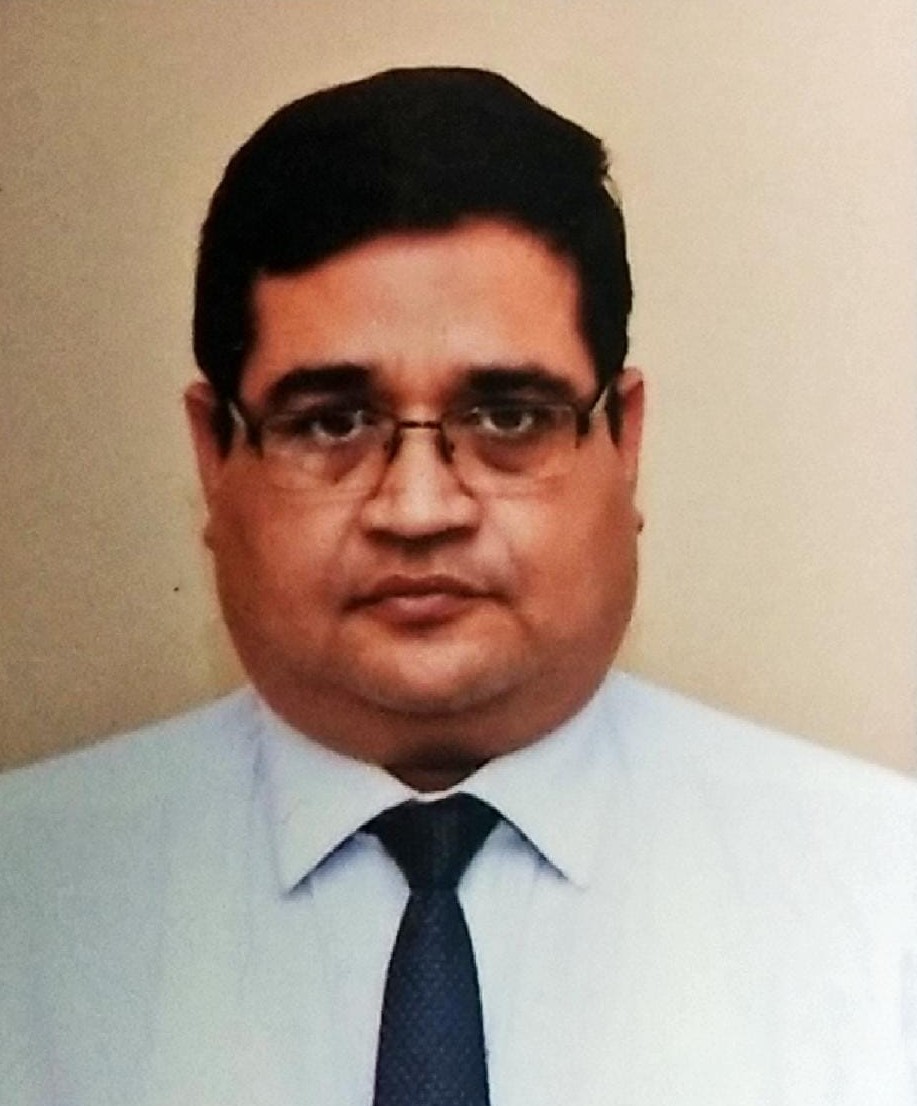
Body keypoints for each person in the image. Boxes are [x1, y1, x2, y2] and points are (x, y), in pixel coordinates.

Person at [2, 67, 915, 1106]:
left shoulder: (885, 902)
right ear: (214, 456)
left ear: (624, 442)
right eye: (332, 422)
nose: (419, 507)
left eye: (509, 416)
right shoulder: (26, 910)